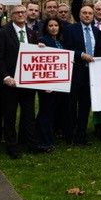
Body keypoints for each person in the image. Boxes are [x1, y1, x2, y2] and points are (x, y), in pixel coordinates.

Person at [0, 4, 41, 159]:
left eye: (23, 12)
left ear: (26, 14)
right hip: (10, 82)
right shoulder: (2, 32)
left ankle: (31, 144)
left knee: (28, 114)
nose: (20, 15)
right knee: (10, 116)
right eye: (17, 13)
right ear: (12, 15)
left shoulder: (32, 33)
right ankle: (11, 147)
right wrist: (6, 77)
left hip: (27, 82)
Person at [63, 6, 100, 145]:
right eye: (84, 13)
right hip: (76, 71)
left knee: (85, 106)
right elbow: (66, 49)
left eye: (90, 13)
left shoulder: (97, 32)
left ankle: (81, 136)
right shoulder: (71, 29)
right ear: (79, 14)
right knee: (71, 106)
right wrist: (81, 54)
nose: (87, 15)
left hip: (91, 74)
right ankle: (70, 135)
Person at [35, 18, 66, 152]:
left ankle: (48, 138)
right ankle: (42, 141)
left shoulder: (59, 41)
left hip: (57, 83)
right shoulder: (43, 41)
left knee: (52, 112)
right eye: (51, 26)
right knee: (45, 112)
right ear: (46, 28)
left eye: (56, 25)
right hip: (47, 85)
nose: (54, 28)